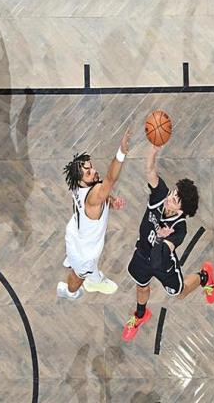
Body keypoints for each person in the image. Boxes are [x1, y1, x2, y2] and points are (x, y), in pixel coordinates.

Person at [122, 144, 214, 342]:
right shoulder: (160, 195)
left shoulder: (179, 229)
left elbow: (159, 259)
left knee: (179, 293)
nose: (171, 198)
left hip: (163, 264)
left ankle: (204, 277)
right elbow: (150, 170)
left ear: (181, 211)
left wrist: (160, 238)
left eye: (176, 200)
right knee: (141, 287)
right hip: (142, 253)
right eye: (174, 193)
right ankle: (140, 315)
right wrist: (153, 149)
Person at [57, 129, 132, 300]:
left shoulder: (78, 185)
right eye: (88, 172)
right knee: (78, 276)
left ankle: (90, 275)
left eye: (91, 167)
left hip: (75, 233)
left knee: (81, 267)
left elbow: (100, 193)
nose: (94, 171)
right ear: (81, 180)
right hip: (85, 251)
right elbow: (110, 180)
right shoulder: (93, 196)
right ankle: (70, 292)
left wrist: (111, 201)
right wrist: (121, 152)